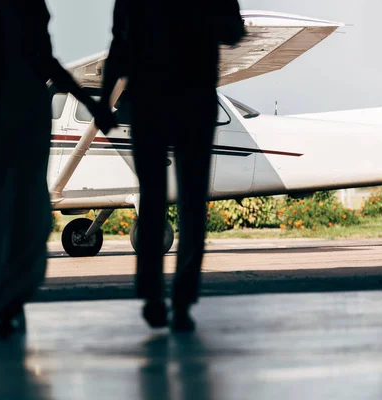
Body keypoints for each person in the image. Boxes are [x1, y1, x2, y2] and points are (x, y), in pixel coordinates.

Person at [0, 0, 116, 337]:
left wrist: (92, 103)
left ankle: (9, 302)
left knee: (28, 216)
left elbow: (43, 58)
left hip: (21, 114)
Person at [101, 0, 245, 332]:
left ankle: (153, 296)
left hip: (147, 101)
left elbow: (118, 45)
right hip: (194, 100)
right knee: (192, 203)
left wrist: (104, 102)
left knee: (152, 199)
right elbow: (233, 33)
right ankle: (183, 301)